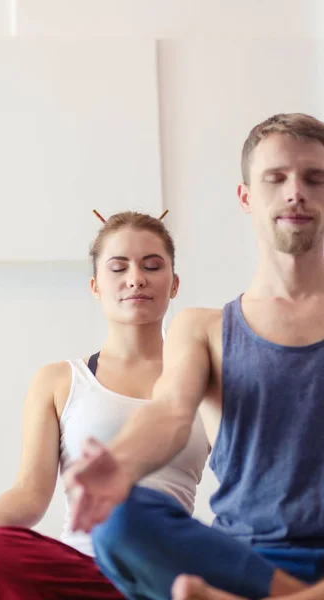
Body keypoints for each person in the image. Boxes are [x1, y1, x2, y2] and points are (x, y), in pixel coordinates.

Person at [63, 113, 324, 600]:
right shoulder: (203, 328)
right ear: (246, 197)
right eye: (276, 178)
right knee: (121, 518)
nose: (296, 192)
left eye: (314, 178)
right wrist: (118, 465)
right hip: (245, 562)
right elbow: (169, 413)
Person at [0, 211, 211, 600]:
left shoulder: (204, 381)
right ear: (95, 286)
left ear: (174, 284)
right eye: (118, 267)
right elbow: (30, 492)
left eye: (152, 265)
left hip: (170, 577)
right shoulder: (59, 381)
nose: (136, 278)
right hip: (84, 575)